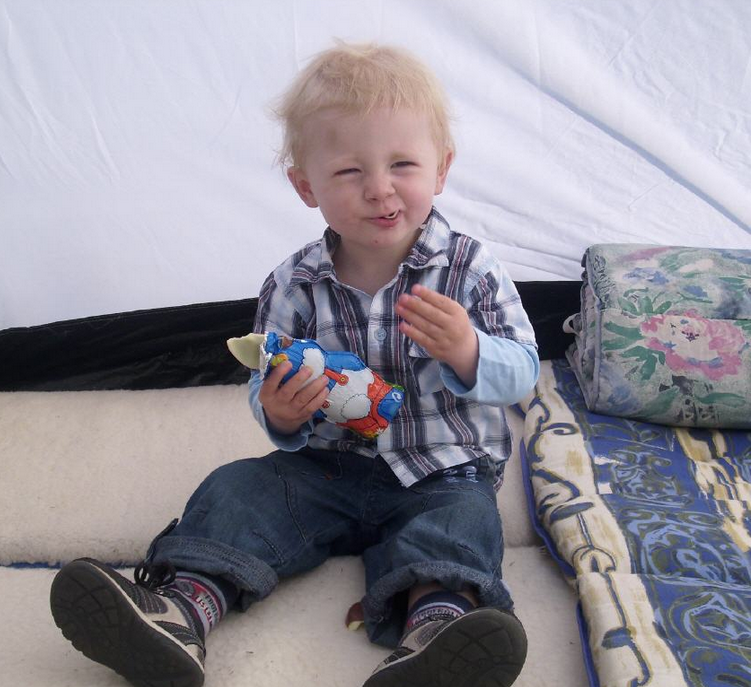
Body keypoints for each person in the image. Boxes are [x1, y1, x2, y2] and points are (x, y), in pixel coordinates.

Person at [50, 41, 540, 687]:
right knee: (239, 489)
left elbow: (523, 370)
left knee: (461, 522)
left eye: (402, 164)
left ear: (441, 169)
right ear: (306, 186)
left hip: (442, 467)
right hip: (326, 467)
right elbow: (266, 383)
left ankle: (438, 629)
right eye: (349, 171)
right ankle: (179, 611)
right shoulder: (293, 283)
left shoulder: (470, 269)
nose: (379, 188)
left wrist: (469, 350)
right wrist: (279, 413)